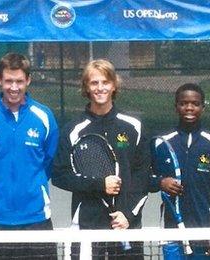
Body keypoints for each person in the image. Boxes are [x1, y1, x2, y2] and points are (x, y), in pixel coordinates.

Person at [52, 59, 150, 259]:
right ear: (86, 88)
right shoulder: (73, 130)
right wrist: (99, 185)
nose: (100, 88)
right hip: (87, 225)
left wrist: (128, 215)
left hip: (125, 225)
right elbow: (60, 175)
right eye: (94, 83)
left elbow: (142, 175)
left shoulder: (133, 126)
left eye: (105, 82)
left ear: (114, 85)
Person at [0, 52, 59, 259]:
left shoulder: (44, 117)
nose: (14, 87)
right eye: (8, 81)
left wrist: (32, 186)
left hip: (36, 218)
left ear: (28, 80)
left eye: (19, 81)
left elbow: (48, 161)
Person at [149, 83, 210, 259]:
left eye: (195, 103)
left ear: (202, 107)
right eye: (183, 103)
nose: (189, 108)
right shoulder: (161, 142)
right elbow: (144, 178)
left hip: (204, 231)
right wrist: (160, 182)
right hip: (171, 230)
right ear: (176, 107)